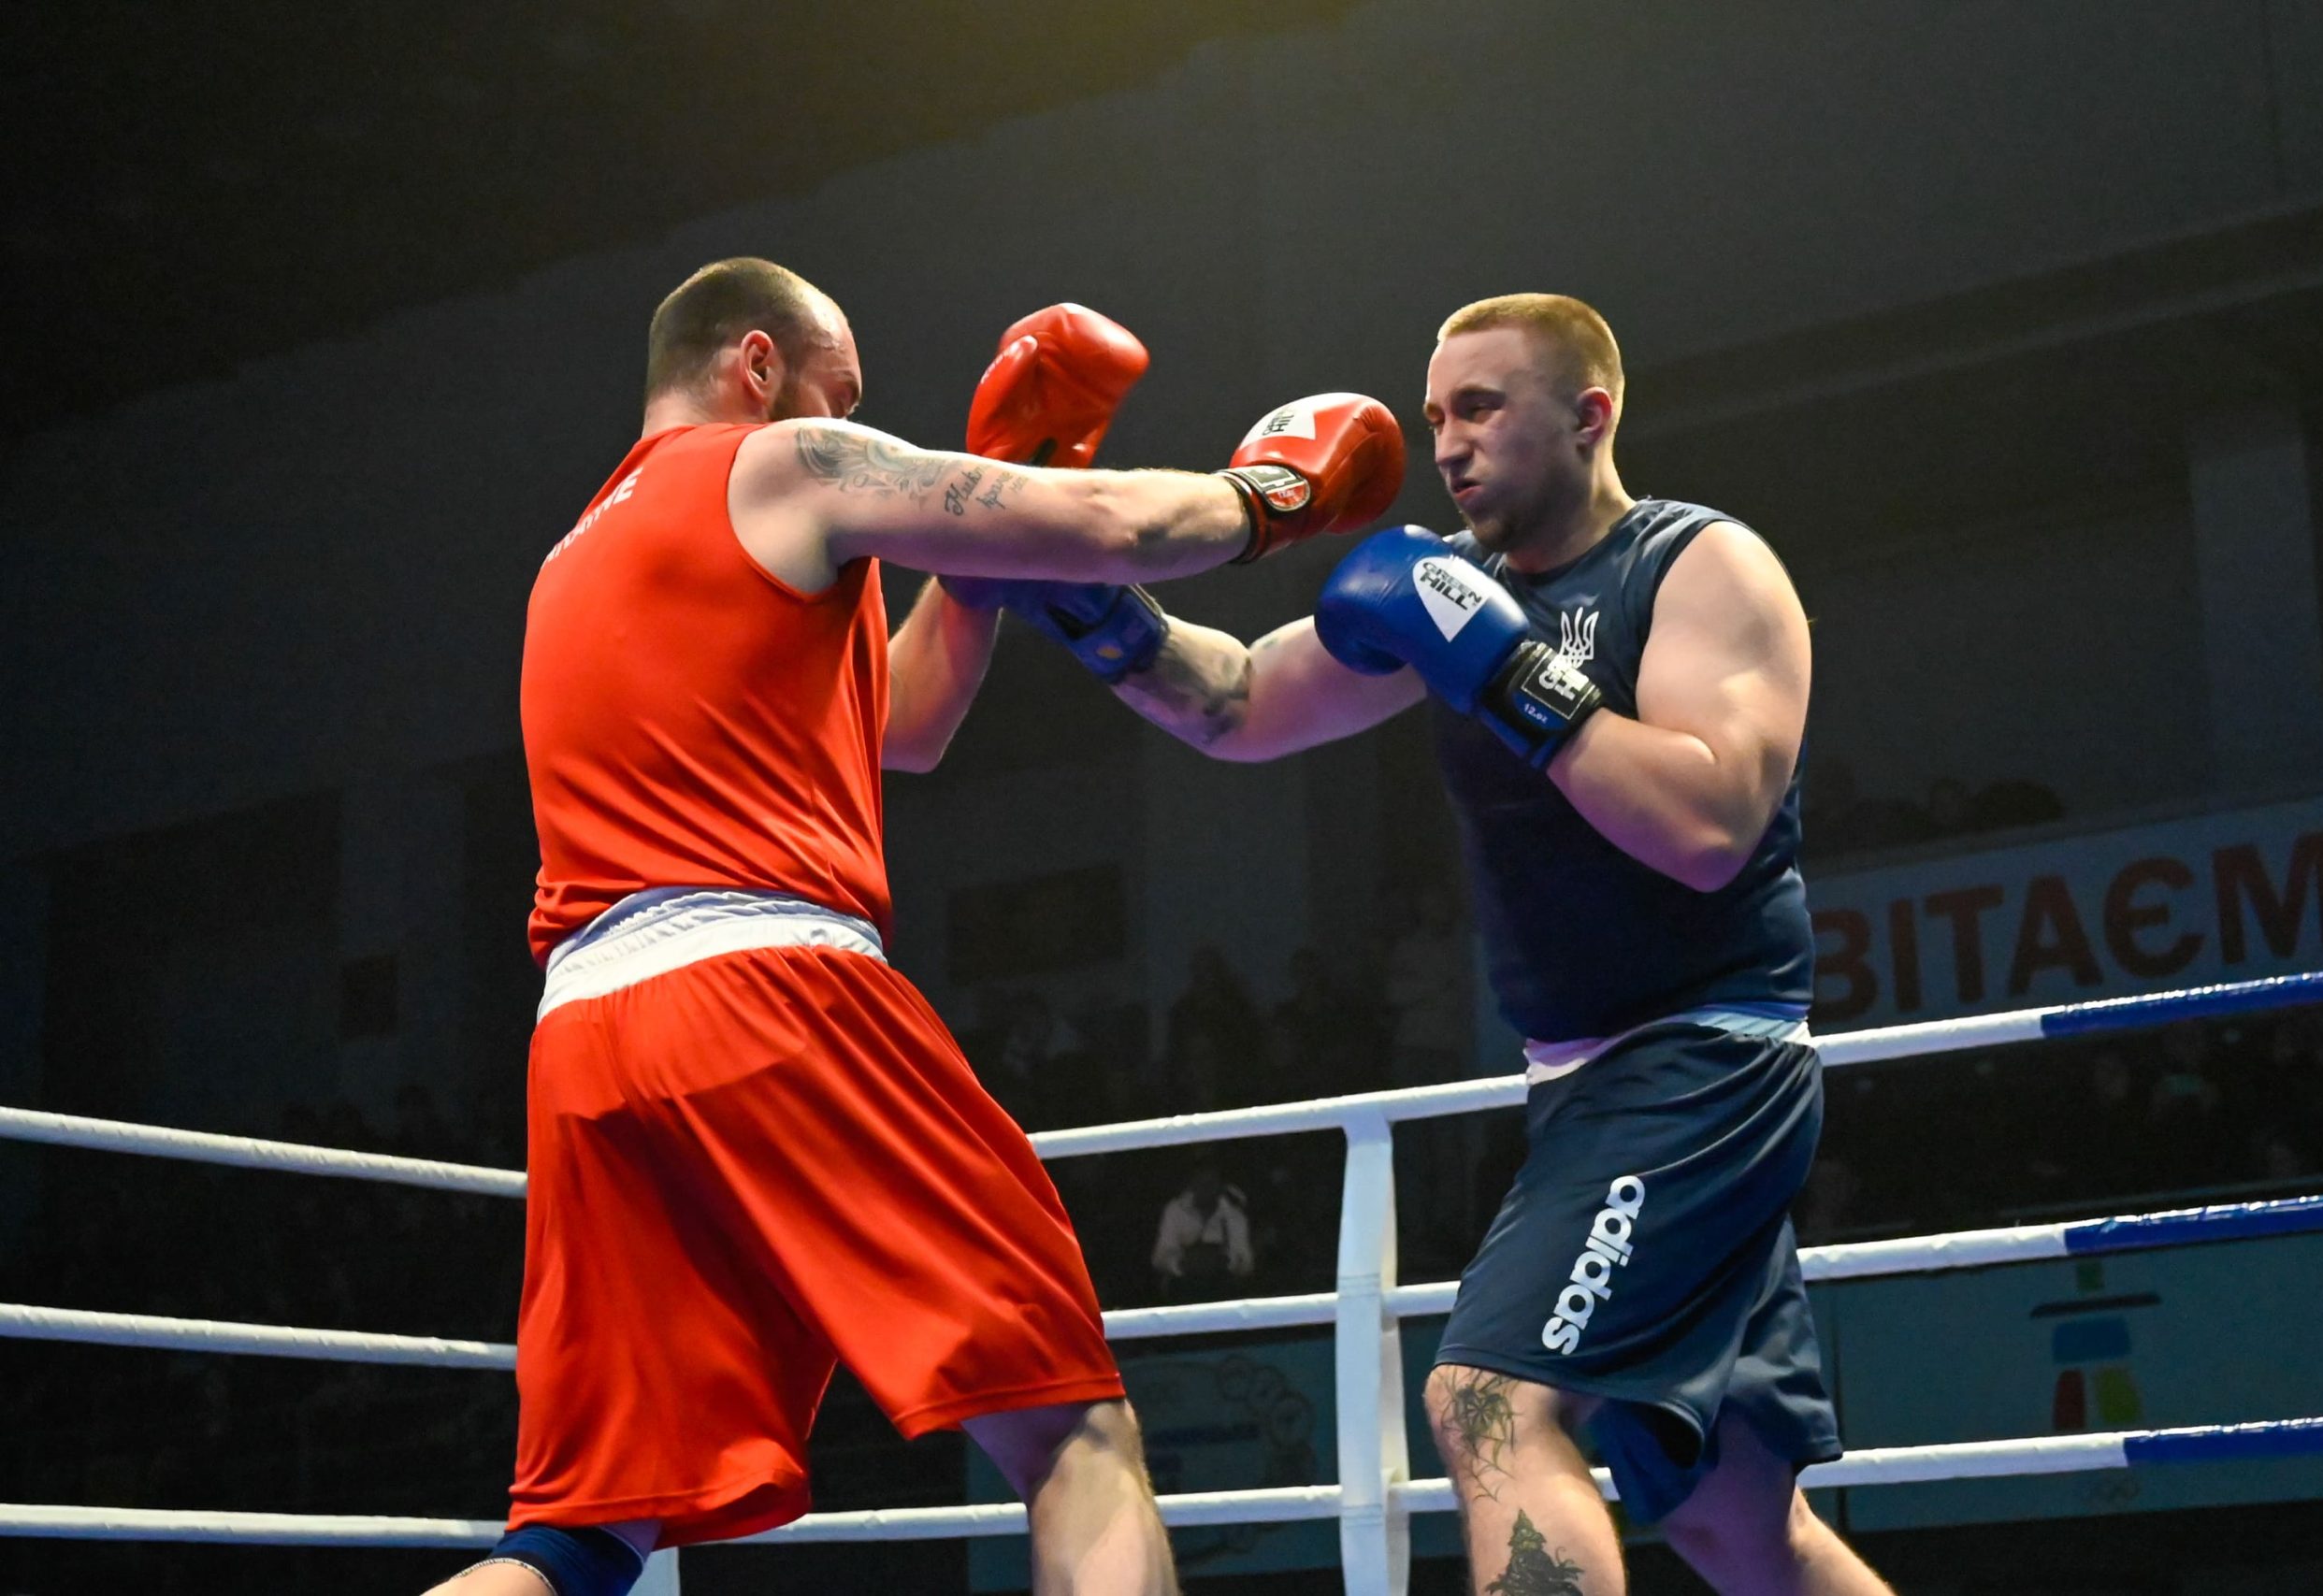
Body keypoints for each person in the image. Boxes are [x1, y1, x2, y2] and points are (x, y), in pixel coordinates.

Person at [433, 257, 1403, 1596]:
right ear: (758, 367)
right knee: (1071, 1433)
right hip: (764, 990)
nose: (852, 422)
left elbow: (908, 726)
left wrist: (980, 537)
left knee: (579, 1540)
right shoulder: (780, 464)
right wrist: (1272, 500)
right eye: (842, 395)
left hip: (587, 1045)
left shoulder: (575, 559)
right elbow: (1113, 527)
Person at [970, 294, 1891, 1593]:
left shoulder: (1697, 566)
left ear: (1588, 416)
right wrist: (1082, 601)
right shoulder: (1453, 588)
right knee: (1735, 1524)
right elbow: (1236, 702)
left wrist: (1506, 671)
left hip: (1701, 1063)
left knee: (1489, 1402)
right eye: (1435, 414)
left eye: (1482, 408)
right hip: (1584, 1081)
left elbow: (1709, 828)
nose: (1447, 442)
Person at [1149, 1162, 1255, 1301]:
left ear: (1221, 1186)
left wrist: (1225, 1262)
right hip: (1183, 1287)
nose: (1206, 1188)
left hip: (1221, 1289)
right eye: (1201, 1182)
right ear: (1192, 1184)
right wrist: (1181, 1264)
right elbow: (1159, 1257)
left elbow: (1246, 1262)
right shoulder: (1175, 1209)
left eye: (1211, 1183)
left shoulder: (1234, 1215)